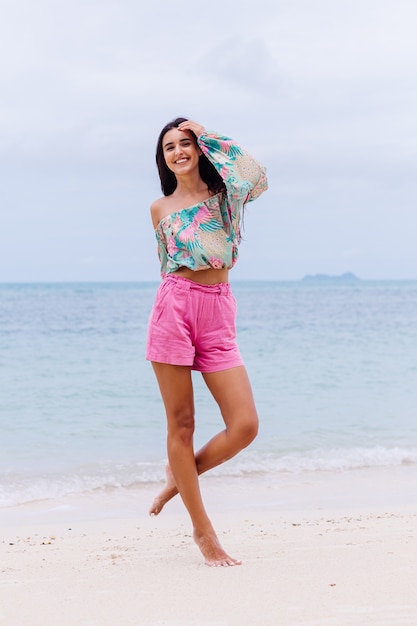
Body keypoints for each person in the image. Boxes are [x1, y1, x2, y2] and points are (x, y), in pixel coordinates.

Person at [146, 118, 268, 566]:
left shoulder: (227, 197)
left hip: (218, 310)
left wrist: (209, 132)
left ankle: (179, 477)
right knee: (181, 424)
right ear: (163, 158)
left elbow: (256, 176)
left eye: (185, 143)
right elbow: (168, 264)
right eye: (169, 147)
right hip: (175, 306)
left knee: (245, 426)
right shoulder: (159, 208)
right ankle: (203, 533)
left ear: (199, 149)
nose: (178, 151)